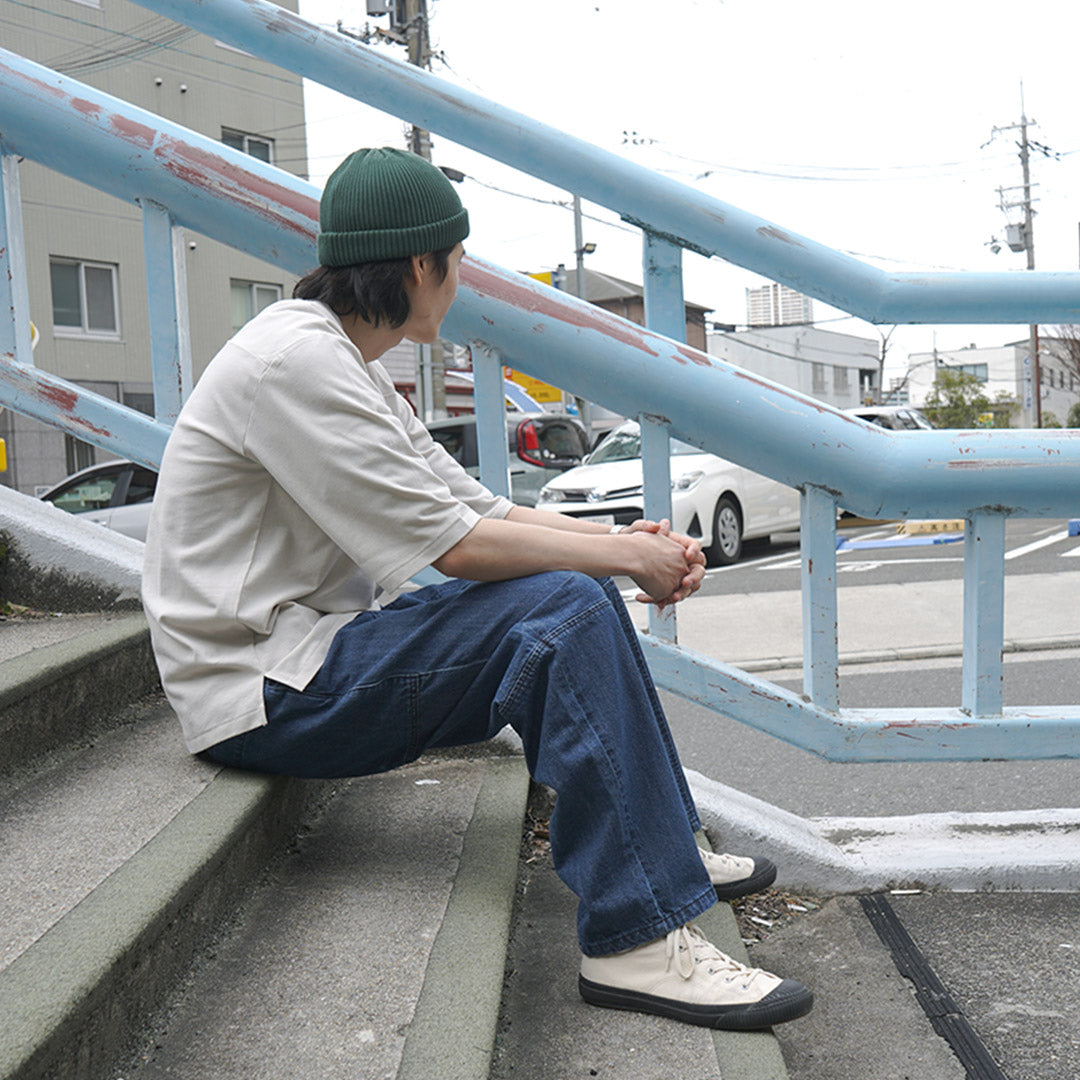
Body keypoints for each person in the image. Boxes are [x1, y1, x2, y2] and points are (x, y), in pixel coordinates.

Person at [141, 147, 812, 1032]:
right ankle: (634, 941)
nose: (460, 284)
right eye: (457, 264)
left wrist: (619, 543)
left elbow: (482, 504)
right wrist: (618, 562)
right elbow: (457, 549)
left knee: (575, 591)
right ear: (421, 266)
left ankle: (663, 851)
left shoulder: (343, 360)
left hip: (310, 655)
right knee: (566, 604)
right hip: (262, 691)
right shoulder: (293, 367)